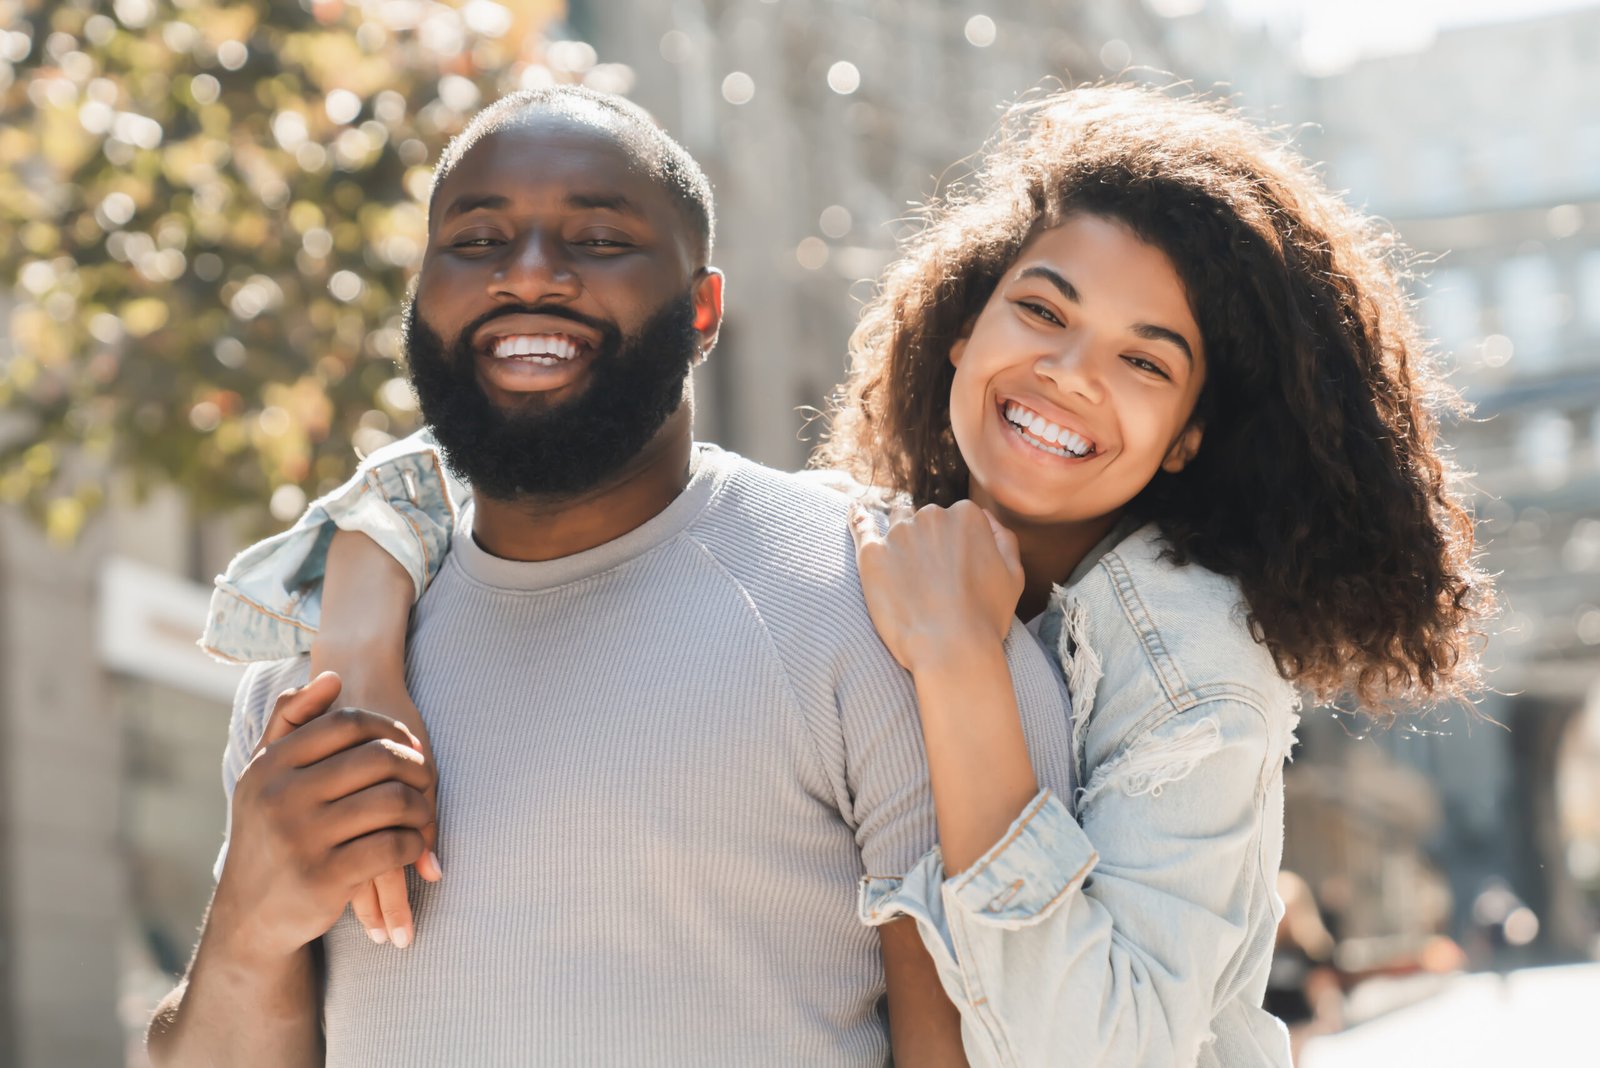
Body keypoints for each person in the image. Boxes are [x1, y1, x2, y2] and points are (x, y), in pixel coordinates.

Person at [182, 84, 1492, 1066]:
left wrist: (962, 666)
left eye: (1146, 361)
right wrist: (360, 609)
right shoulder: (851, 552)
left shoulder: (1188, 658)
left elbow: (1101, 1052)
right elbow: (524, 455)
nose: (1070, 375)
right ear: (967, 317)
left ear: (1195, 430)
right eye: (1043, 309)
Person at [146, 85, 1078, 1066]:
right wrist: (248, 926)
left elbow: (1004, 1039)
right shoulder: (319, 672)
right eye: (477, 241)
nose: (529, 277)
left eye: (596, 240)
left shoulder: (885, 600)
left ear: (703, 308)